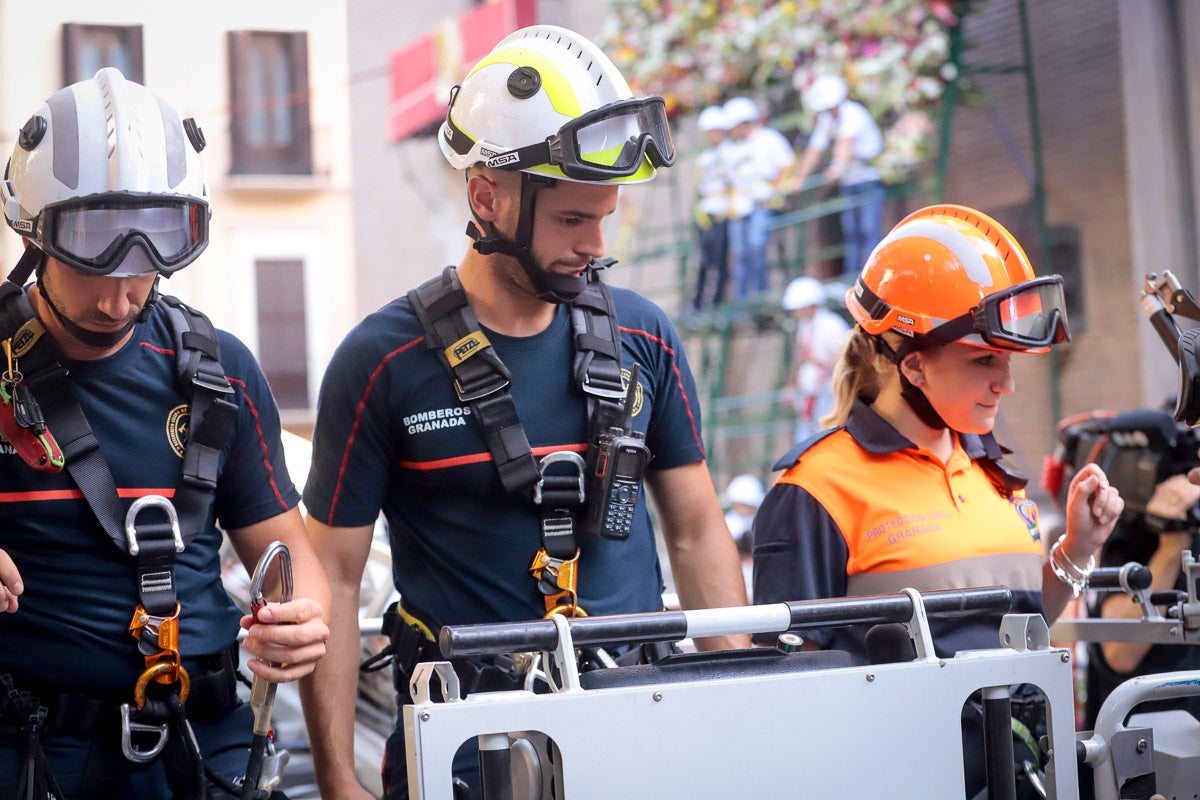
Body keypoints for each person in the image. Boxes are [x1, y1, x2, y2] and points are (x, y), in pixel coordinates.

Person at [298, 25, 749, 800]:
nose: (595, 246)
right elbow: (332, 580)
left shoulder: (645, 336)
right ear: (487, 196)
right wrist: (338, 780)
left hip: (637, 744)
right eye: (574, 221)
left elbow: (697, 528)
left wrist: (735, 702)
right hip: (463, 761)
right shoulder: (380, 364)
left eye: (603, 218)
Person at [0, 69, 330, 799]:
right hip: (31, 754)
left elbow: (293, 556)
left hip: (202, 747)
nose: (121, 294)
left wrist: (303, 617)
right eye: (92, 248)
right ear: (32, 231)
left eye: (151, 252)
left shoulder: (219, 372)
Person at [751, 204, 1122, 797]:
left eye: (1007, 361)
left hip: (1030, 771)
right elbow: (786, 690)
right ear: (914, 363)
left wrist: (1080, 547)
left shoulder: (994, 468)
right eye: (984, 361)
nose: (1006, 383)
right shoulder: (814, 487)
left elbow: (1021, 623)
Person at [784, 74, 885, 278]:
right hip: (850, 182)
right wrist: (799, 177)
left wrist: (836, 168)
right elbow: (814, 149)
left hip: (868, 180)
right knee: (851, 232)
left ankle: (871, 277)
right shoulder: (827, 119)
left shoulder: (852, 113)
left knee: (869, 231)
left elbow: (845, 145)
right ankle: (853, 277)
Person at [722, 96, 795, 300]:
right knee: (739, 256)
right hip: (740, 207)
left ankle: (760, 296)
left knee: (757, 249)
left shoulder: (768, 139)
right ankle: (741, 301)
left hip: (763, 203)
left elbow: (786, 164)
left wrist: (777, 190)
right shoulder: (733, 148)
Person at [781, 275, 850, 443]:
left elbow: (844, 359)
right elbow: (800, 359)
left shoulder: (832, 325)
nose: (796, 313)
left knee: (824, 439)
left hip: (828, 394)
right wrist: (793, 384)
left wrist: (815, 359)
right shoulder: (804, 327)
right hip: (809, 396)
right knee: (804, 442)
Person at [690, 105, 743, 312]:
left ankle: (716, 302)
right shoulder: (704, 157)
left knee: (720, 261)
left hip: (723, 212)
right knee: (703, 261)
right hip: (706, 214)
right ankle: (697, 303)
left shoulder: (731, 153)